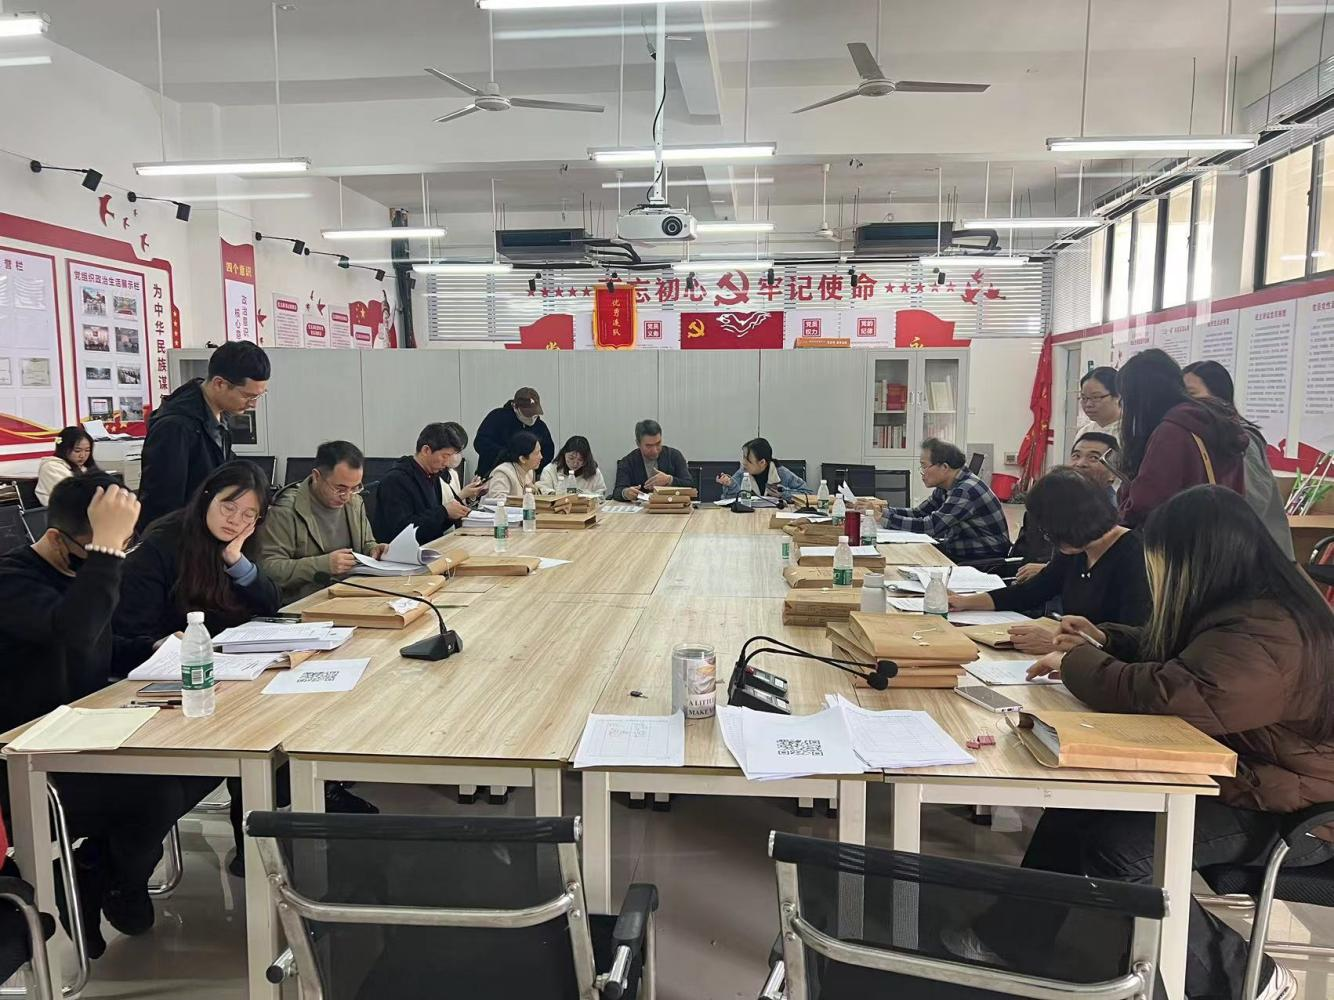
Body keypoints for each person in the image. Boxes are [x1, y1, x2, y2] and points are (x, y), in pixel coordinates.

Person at [961, 486, 1334, 1000]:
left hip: (1300, 812)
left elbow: (1171, 695)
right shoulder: (1249, 606)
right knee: (1078, 807)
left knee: (1120, 851)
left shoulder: (1269, 633)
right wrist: (1105, 639)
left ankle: (1244, 978)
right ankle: (1013, 939)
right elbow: (1186, 658)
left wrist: (1076, 661)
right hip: (1254, 778)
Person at [0, 476, 212, 958]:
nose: (117, 558)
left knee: (206, 761)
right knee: (156, 792)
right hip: (29, 761)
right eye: (106, 548)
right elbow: (75, 631)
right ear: (56, 539)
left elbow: (99, 642)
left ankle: (96, 868)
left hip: (87, 737)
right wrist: (105, 556)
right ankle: (118, 882)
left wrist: (152, 648)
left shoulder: (80, 575)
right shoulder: (11, 582)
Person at [950, 468, 1150, 653]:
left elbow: (1135, 639)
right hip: (1075, 662)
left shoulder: (1135, 556)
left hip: (1107, 666)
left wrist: (1058, 643)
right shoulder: (1079, 549)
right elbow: (1032, 591)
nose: (1048, 537)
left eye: (1049, 530)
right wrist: (964, 602)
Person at [114, 461, 280, 672]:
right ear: (207, 496)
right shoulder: (161, 545)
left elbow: (270, 605)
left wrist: (238, 563)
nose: (235, 520)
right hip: (170, 667)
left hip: (227, 662)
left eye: (248, 515)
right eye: (228, 507)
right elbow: (130, 635)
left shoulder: (240, 543)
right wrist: (159, 645)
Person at [137, 341, 270, 529]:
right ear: (219, 384)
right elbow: (163, 505)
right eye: (248, 396)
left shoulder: (219, 414)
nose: (253, 404)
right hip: (180, 537)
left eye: (258, 396)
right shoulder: (176, 427)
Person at [1116, 348, 1247, 527]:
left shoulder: (1171, 431)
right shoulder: (1218, 421)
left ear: (1140, 398)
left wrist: (1126, 496)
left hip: (1178, 536)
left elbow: (1145, 502)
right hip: (1221, 532)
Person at [1183, 359, 1295, 559]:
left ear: (1219, 396)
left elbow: (1253, 501)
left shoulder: (1242, 440)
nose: (1185, 403)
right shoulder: (1203, 436)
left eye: (1192, 394)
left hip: (1258, 557)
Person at [255, 440, 391, 603]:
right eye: (340, 489)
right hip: (305, 604)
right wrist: (323, 565)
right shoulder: (285, 510)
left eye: (355, 488)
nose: (347, 496)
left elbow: (366, 543)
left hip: (351, 595)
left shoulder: (355, 502)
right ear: (317, 476)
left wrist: (374, 550)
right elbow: (268, 569)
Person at [1009, 431, 1120, 582]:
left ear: (1113, 472)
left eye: (1094, 458)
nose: (1080, 464)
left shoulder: (1118, 516)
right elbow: (1024, 554)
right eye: (1076, 456)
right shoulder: (1045, 504)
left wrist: (1050, 569)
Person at [882, 438, 1009, 563]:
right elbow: (920, 512)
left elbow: (931, 526)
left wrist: (887, 519)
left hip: (983, 560)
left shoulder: (964, 491)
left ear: (944, 467)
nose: (922, 472)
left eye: (924, 466)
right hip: (959, 550)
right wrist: (884, 511)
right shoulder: (946, 485)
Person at [373, 423, 471, 544]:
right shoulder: (396, 480)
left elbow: (434, 527)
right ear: (426, 450)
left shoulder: (433, 474)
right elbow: (402, 530)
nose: (447, 463)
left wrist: (451, 515)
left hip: (430, 547)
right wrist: (444, 512)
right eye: (445, 456)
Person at [474, 387, 553, 479]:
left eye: (535, 415)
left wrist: (534, 468)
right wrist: (506, 455)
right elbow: (480, 443)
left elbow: (548, 452)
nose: (531, 418)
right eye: (527, 414)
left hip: (526, 478)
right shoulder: (497, 418)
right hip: (492, 475)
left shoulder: (540, 427)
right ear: (515, 407)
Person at [612, 419, 693, 502]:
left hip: (671, 504)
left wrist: (669, 480)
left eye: (658, 443)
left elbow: (690, 484)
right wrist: (626, 493)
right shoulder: (628, 462)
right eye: (649, 446)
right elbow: (617, 491)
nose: (654, 450)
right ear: (638, 444)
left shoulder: (674, 456)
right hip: (641, 507)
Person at [716, 438, 811, 502]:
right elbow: (727, 500)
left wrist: (784, 493)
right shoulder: (742, 473)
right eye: (743, 457)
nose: (743, 462)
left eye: (747, 459)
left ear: (762, 462)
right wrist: (730, 485)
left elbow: (808, 494)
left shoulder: (781, 473)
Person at [35, 426, 99, 505]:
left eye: (87, 450)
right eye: (77, 451)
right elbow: (74, 495)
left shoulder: (85, 467)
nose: (82, 455)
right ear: (64, 449)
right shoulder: (51, 467)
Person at [436, 421, 488, 510]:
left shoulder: (453, 474)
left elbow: (461, 507)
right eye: (457, 451)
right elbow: (441, 510)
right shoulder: (433, 476)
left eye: (461, 451)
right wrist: (463, 494)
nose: (459, 455)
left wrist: (471, 495)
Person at [538, 435, 607, 497]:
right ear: (564, 453)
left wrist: (587, 495)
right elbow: (544, 490)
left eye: (580, 460)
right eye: (571, 458)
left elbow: (601, 494)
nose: (575, 463)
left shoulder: (593, 471)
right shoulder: (550, 470)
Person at [483, 431, 542, 503]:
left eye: (540, 451)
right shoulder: (502, 473)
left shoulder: (529, 471)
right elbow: (498, 502)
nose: (541, 457)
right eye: (537, 453)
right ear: (522, 459)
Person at [1075, 365, 1121, 444]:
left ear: (1117, 396)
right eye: (1084, 398)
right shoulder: (1085, 432)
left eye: (1096, 397)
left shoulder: (1131, 433)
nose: (1088, 404)